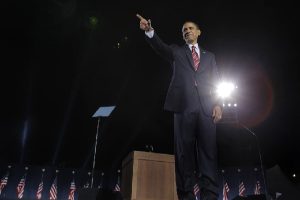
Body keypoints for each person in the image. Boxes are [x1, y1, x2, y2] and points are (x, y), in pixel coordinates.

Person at [136, 14, 222, 200]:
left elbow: (216, 81)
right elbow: (160, 48)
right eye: (184, 29)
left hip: (207, 109)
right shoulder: (176, 51)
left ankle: (210, 195)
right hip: (184, 107)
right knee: (184, 154)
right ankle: (186, 194)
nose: (187, 31)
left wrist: (218, 104)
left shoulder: (210, 57)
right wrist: (150, 31)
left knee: (209, 153)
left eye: (190, 28)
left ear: (198, 32)